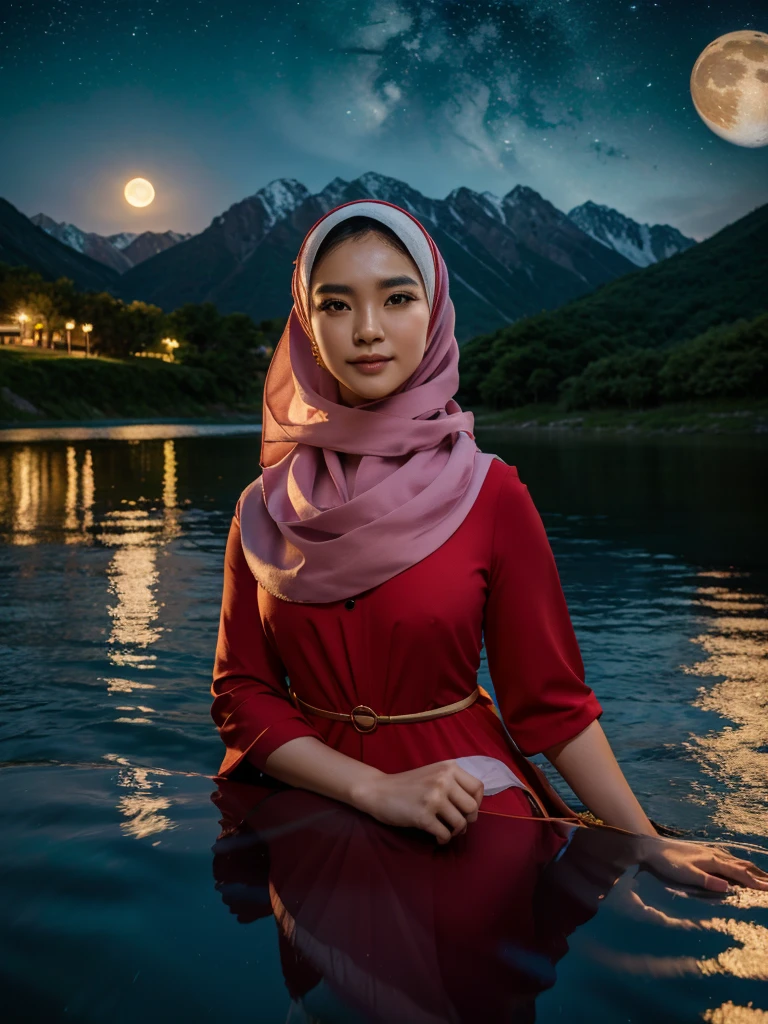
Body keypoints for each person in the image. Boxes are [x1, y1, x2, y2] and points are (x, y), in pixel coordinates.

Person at [211, 198, 768, 895]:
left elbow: (552, 705)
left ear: (436, 310)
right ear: (306, 324)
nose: (368, 329)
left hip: (470, 809)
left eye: (398, 297)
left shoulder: (491, 493)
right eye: (335, 305)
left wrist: (648, 845)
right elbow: (244, 692)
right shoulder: (263, 506)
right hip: (311, 800)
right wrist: (371, 789)